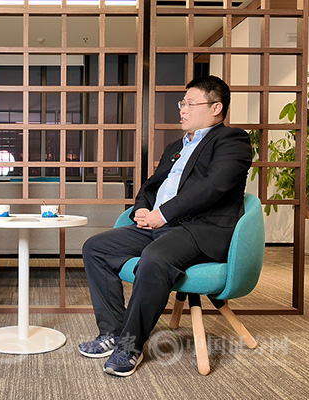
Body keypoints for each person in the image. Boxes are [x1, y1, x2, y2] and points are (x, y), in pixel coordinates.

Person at [79, 75, 253, 377]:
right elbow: (151, 186)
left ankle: (129, 346)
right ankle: (112, 333)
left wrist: (164, 214)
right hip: (158, 227)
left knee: (155, 258)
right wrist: (142, 208)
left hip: (199, 230)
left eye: (190, 104)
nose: (182, 109)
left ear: (216, 108)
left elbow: (213, 187)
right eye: (182, 103)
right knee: (96, 248)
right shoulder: (176, 146)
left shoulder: (232, 140)